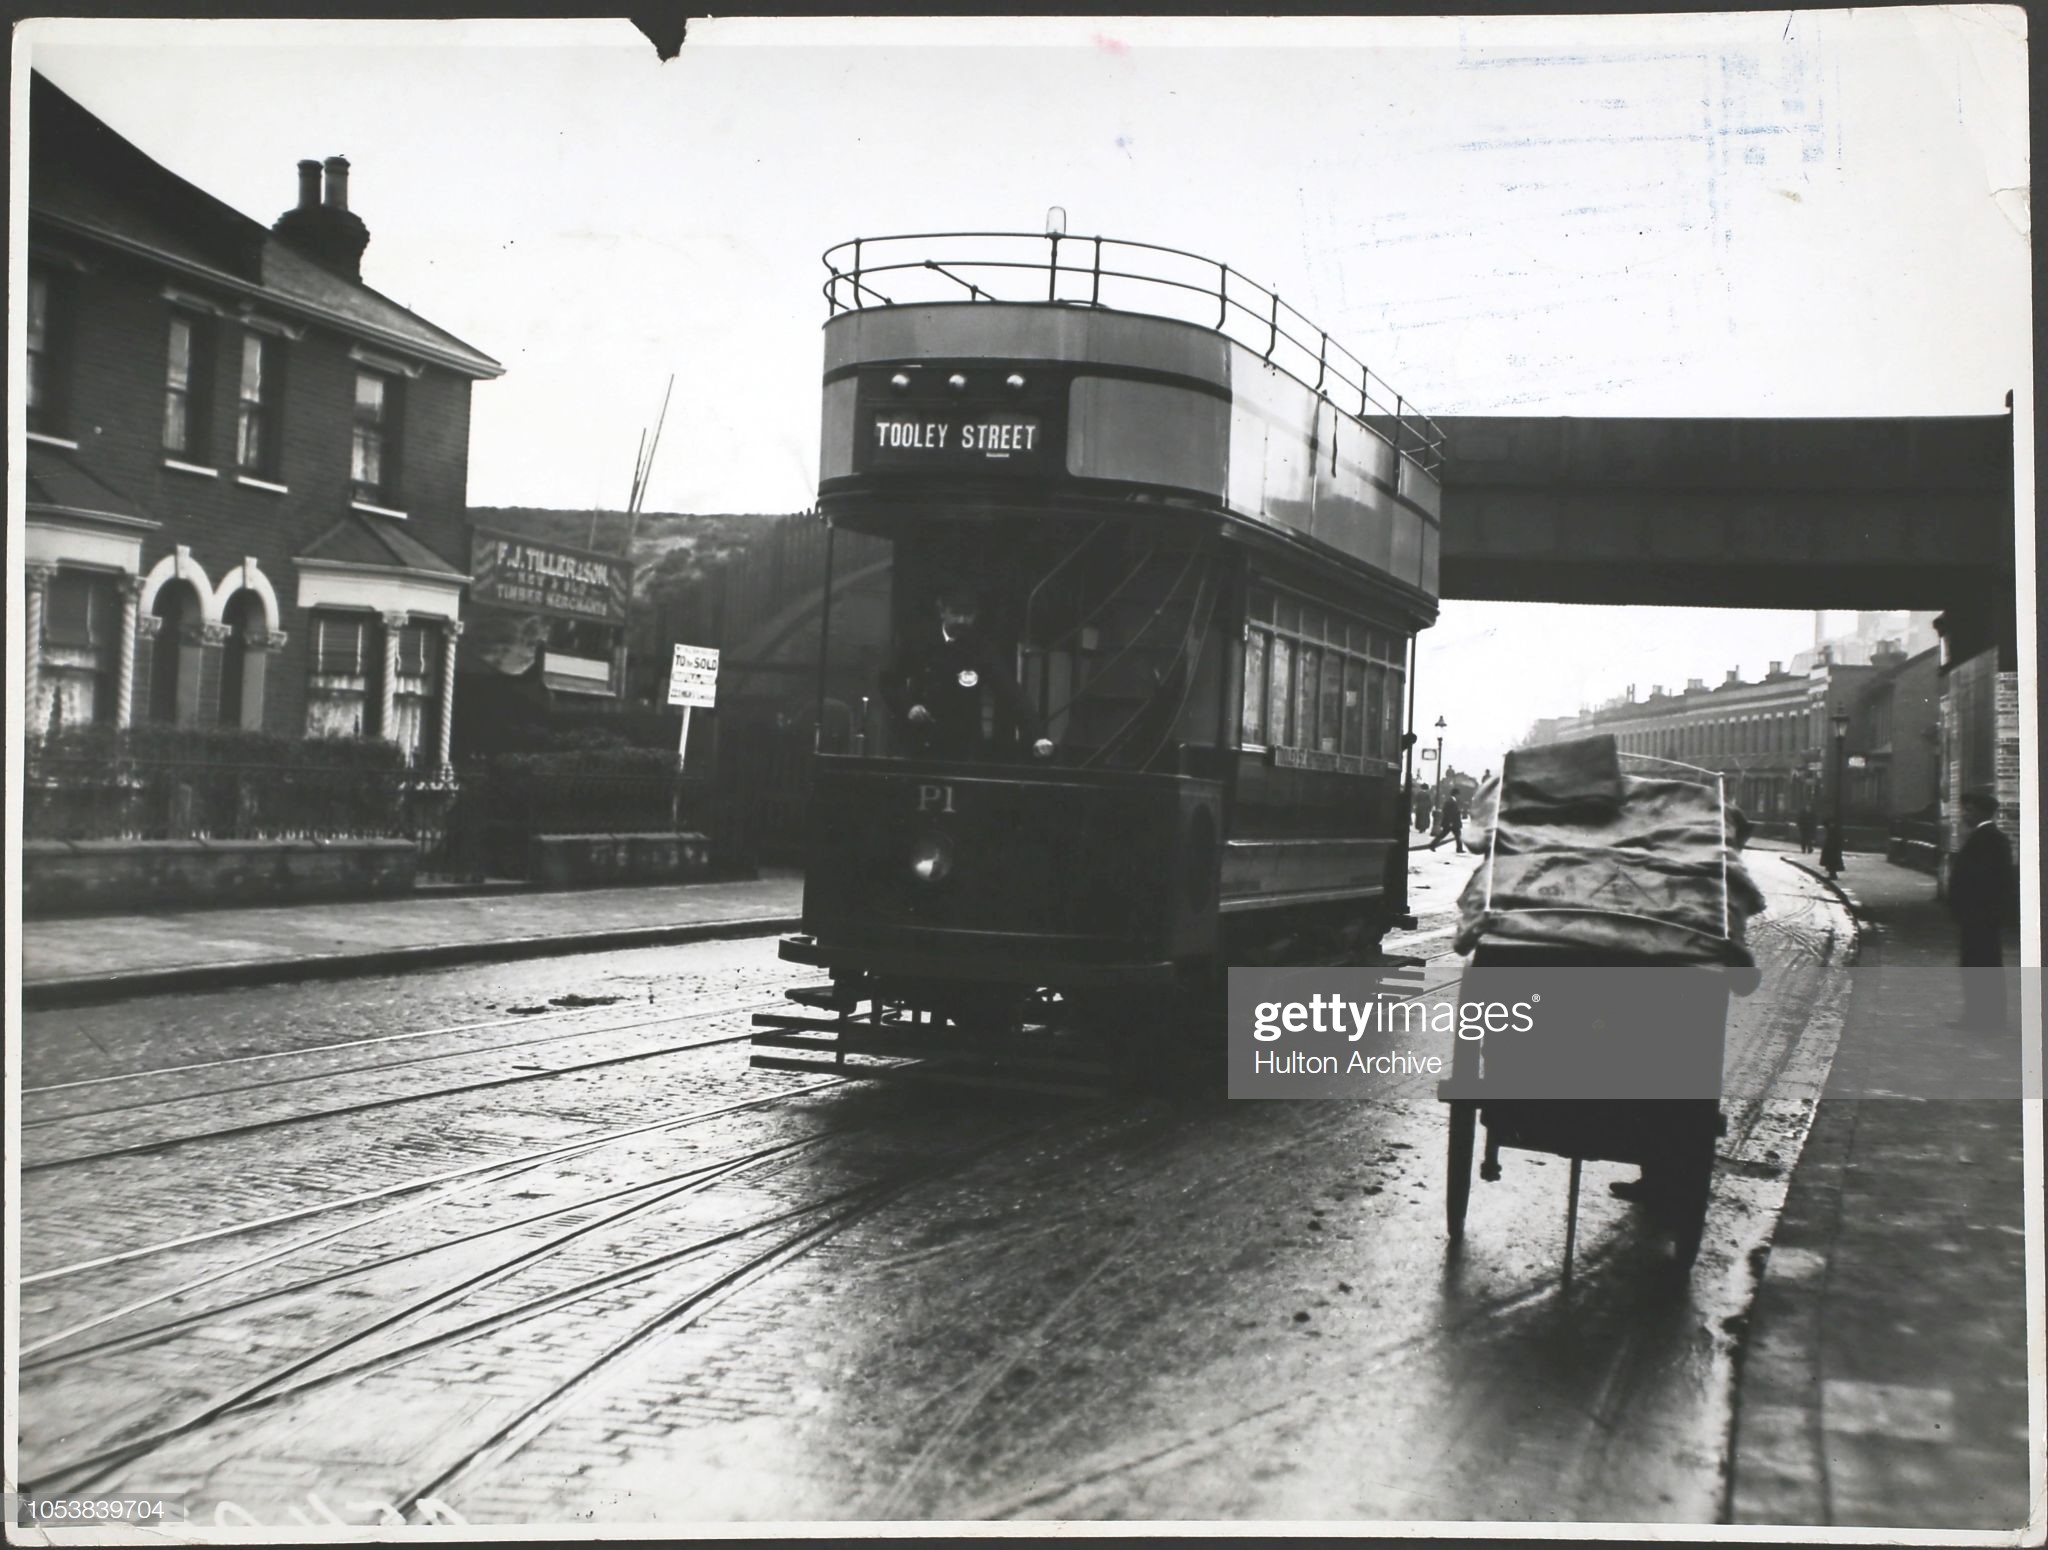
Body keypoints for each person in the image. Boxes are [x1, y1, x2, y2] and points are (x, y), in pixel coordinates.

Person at [879, 586, 1053, 763]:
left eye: (968, 615)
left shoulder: (982, 649)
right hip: (920, 741)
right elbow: (888, 682)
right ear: (942, 612)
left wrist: (1037, 736)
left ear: (975, 616)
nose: (962, 620)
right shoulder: (919, 641)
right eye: (955, 613)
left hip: (963, 747)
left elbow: (1011, 693)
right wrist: (908, 707)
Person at [1948, 788, 2013, 1029]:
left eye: (1970, 808)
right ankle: (1978, 1015)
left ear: (1984, 812)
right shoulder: (1982, 836)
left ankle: (1986, 1018)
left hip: (1981, 915)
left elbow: (1988, 880)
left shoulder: (1990, 839)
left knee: (1981, 964)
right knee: (1977, 964)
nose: (1965, 812)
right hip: (1976, 915)